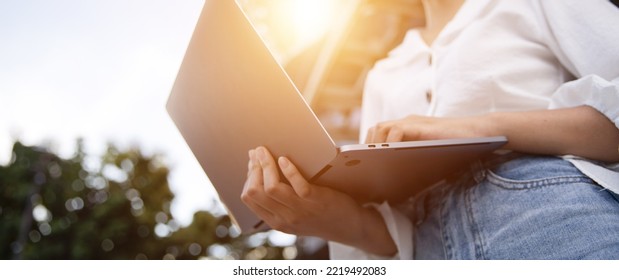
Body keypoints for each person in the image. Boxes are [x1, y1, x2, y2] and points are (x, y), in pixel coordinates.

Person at [241, 0, 619, 259]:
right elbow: (396, 236)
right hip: (431, 252)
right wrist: (337, 220)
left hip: (550, 222)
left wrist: (478, 127)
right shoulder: (383, 75)